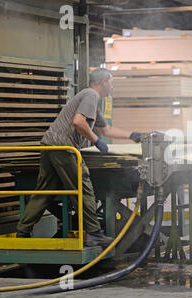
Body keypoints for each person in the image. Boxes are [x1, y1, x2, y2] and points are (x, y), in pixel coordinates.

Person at [15, 68, 143, 247]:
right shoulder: (91, 94)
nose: (112, 87)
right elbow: (78, 121)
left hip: (49, 146)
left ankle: (22, 231)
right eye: (111, 82)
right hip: (64, 148)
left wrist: (133, 135)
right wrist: (96, 141)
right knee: (83, 189)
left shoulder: (90, 99)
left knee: (45, 191)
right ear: (103, 82)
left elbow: (106, 130)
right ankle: (94, 233)